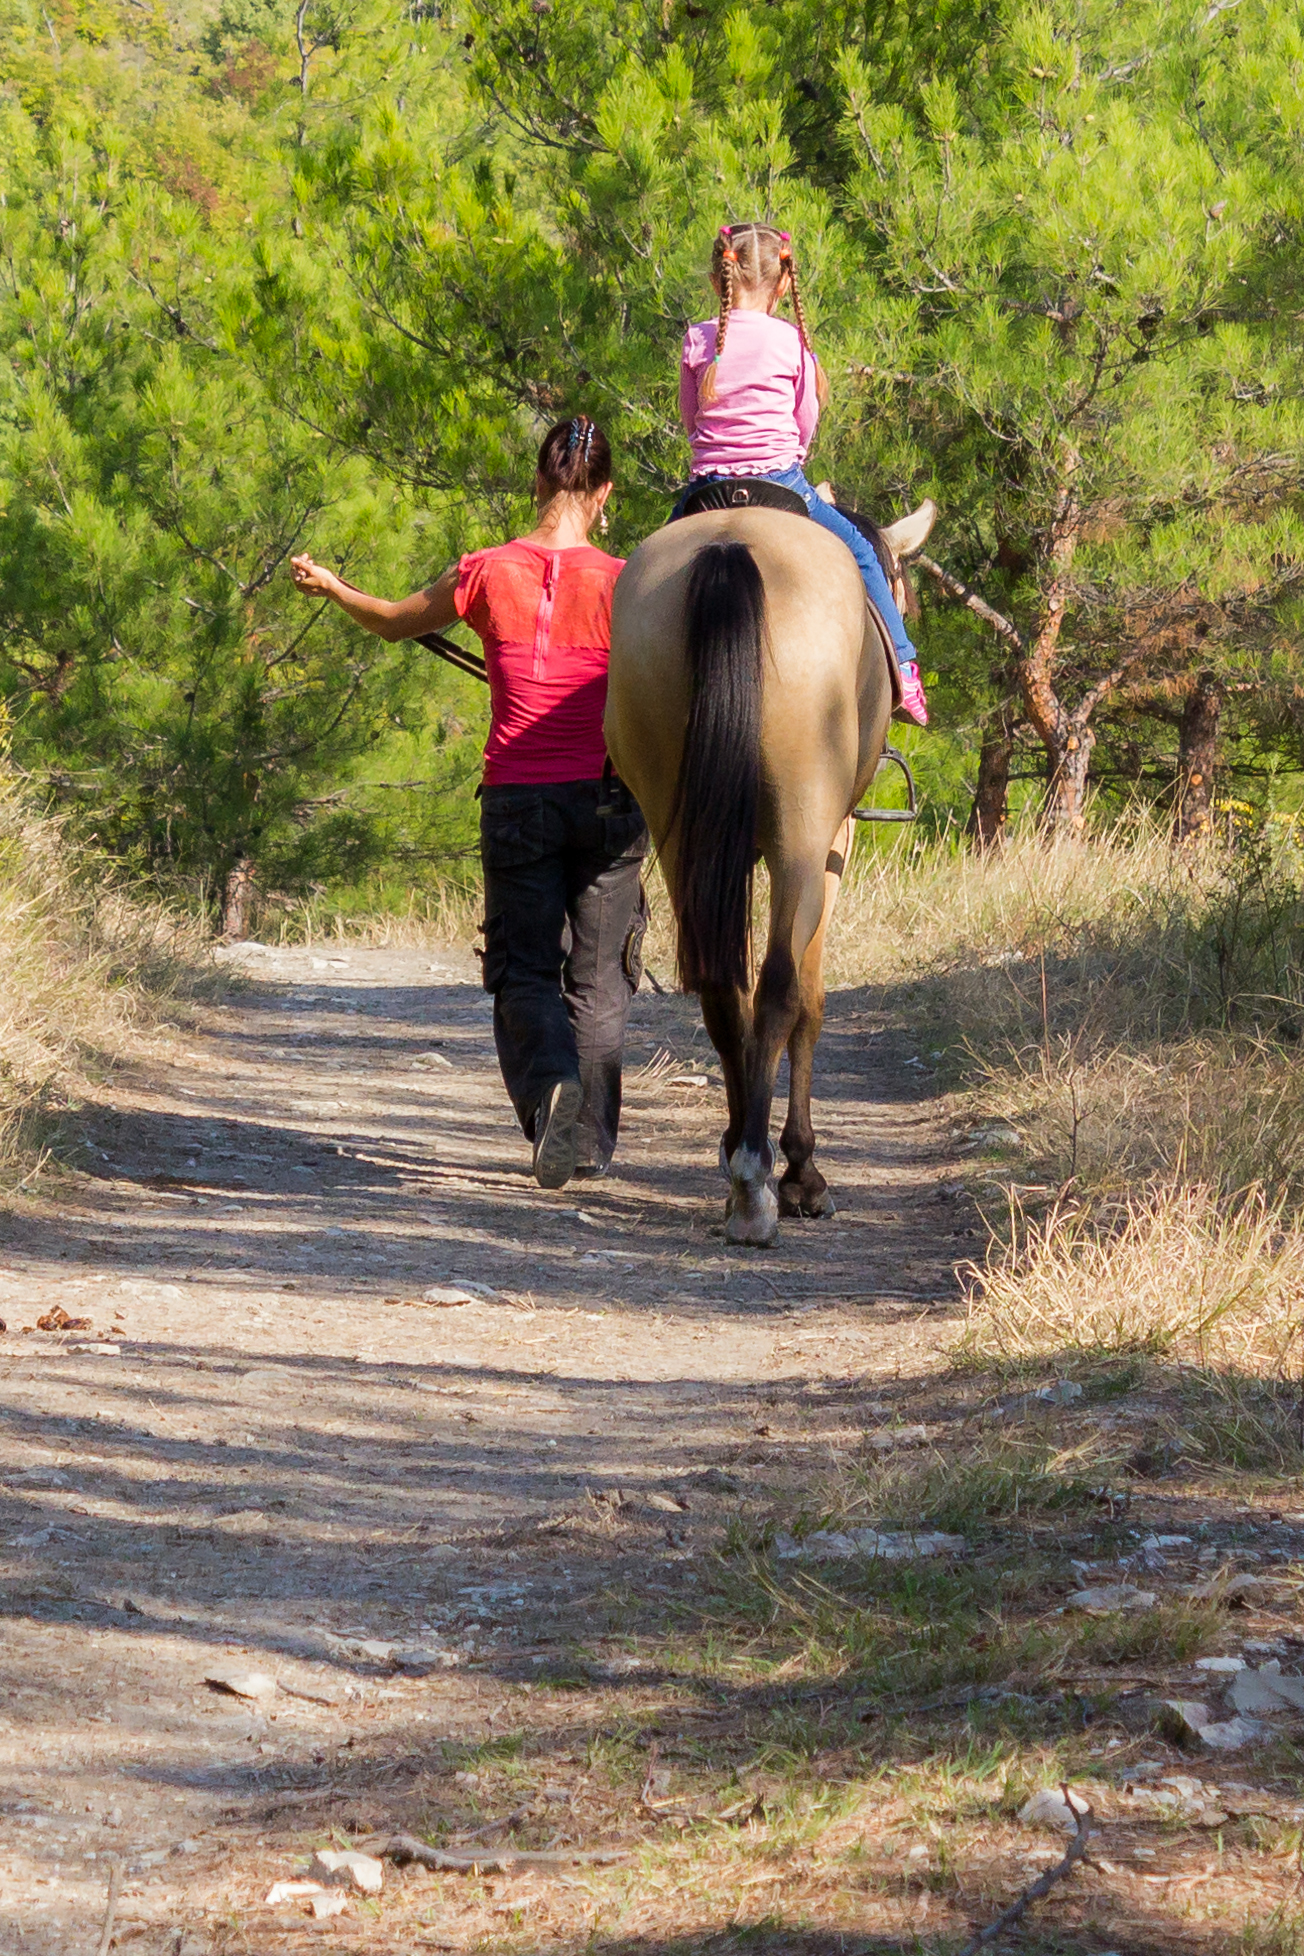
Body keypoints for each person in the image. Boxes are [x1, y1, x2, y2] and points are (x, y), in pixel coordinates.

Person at [289, 416, 648, 1190]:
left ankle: (550, 1085)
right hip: (610, 800)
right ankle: (585, 1145)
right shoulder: (628, 584)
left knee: (523, 970)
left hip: (518, 796)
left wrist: (332, 586)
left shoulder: (486, 571)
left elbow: (391, 623)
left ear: (537, 484)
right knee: (600, 975)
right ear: (605, 494)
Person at [674, 221, 929, 726]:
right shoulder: (793, 342)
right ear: (785, 283)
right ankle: (903, 666)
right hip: (781, 487)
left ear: (716, 281)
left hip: (707, 490)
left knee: (650, 568)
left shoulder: (697, 339)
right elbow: (804, 422)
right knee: (861, 551)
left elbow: (690, 417)